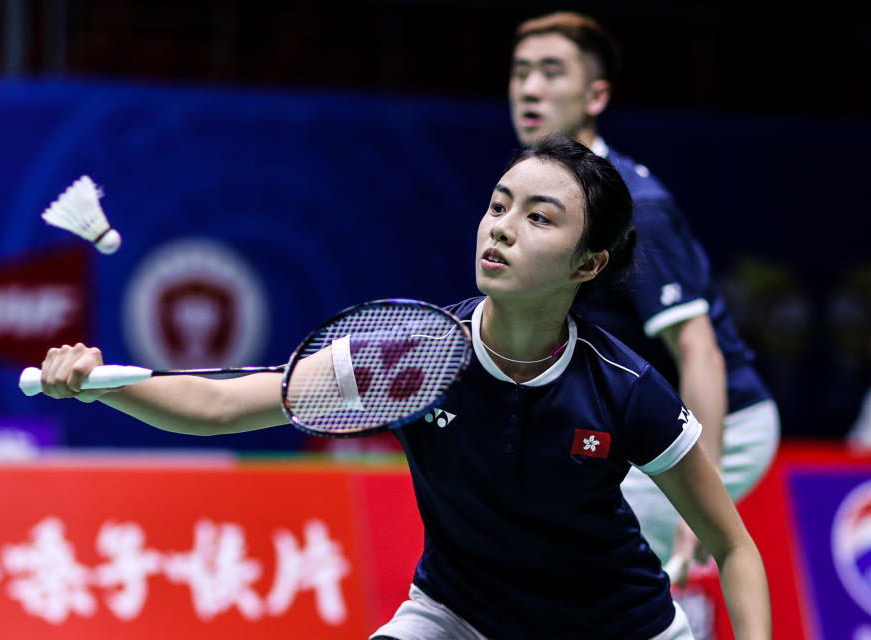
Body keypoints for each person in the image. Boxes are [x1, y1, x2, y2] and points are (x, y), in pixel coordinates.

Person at [38, 137, 770, 639]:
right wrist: (102, 386)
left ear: (587, 265)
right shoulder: (414, 356)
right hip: (460, 615)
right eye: (499, 204)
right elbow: (226, 401)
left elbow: (732, 547)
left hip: (616, 626)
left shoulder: (624, 390)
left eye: (539, 218)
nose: (504, 228)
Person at [507, 11, 780, 574]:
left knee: (586, 569)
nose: (530, 88)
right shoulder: (534, 196)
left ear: (595, 94)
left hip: (719, 422)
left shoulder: (636, 208)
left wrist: (699, 491)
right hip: (637, 421)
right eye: (521, 71)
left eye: (552, 72)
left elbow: (698, 350)